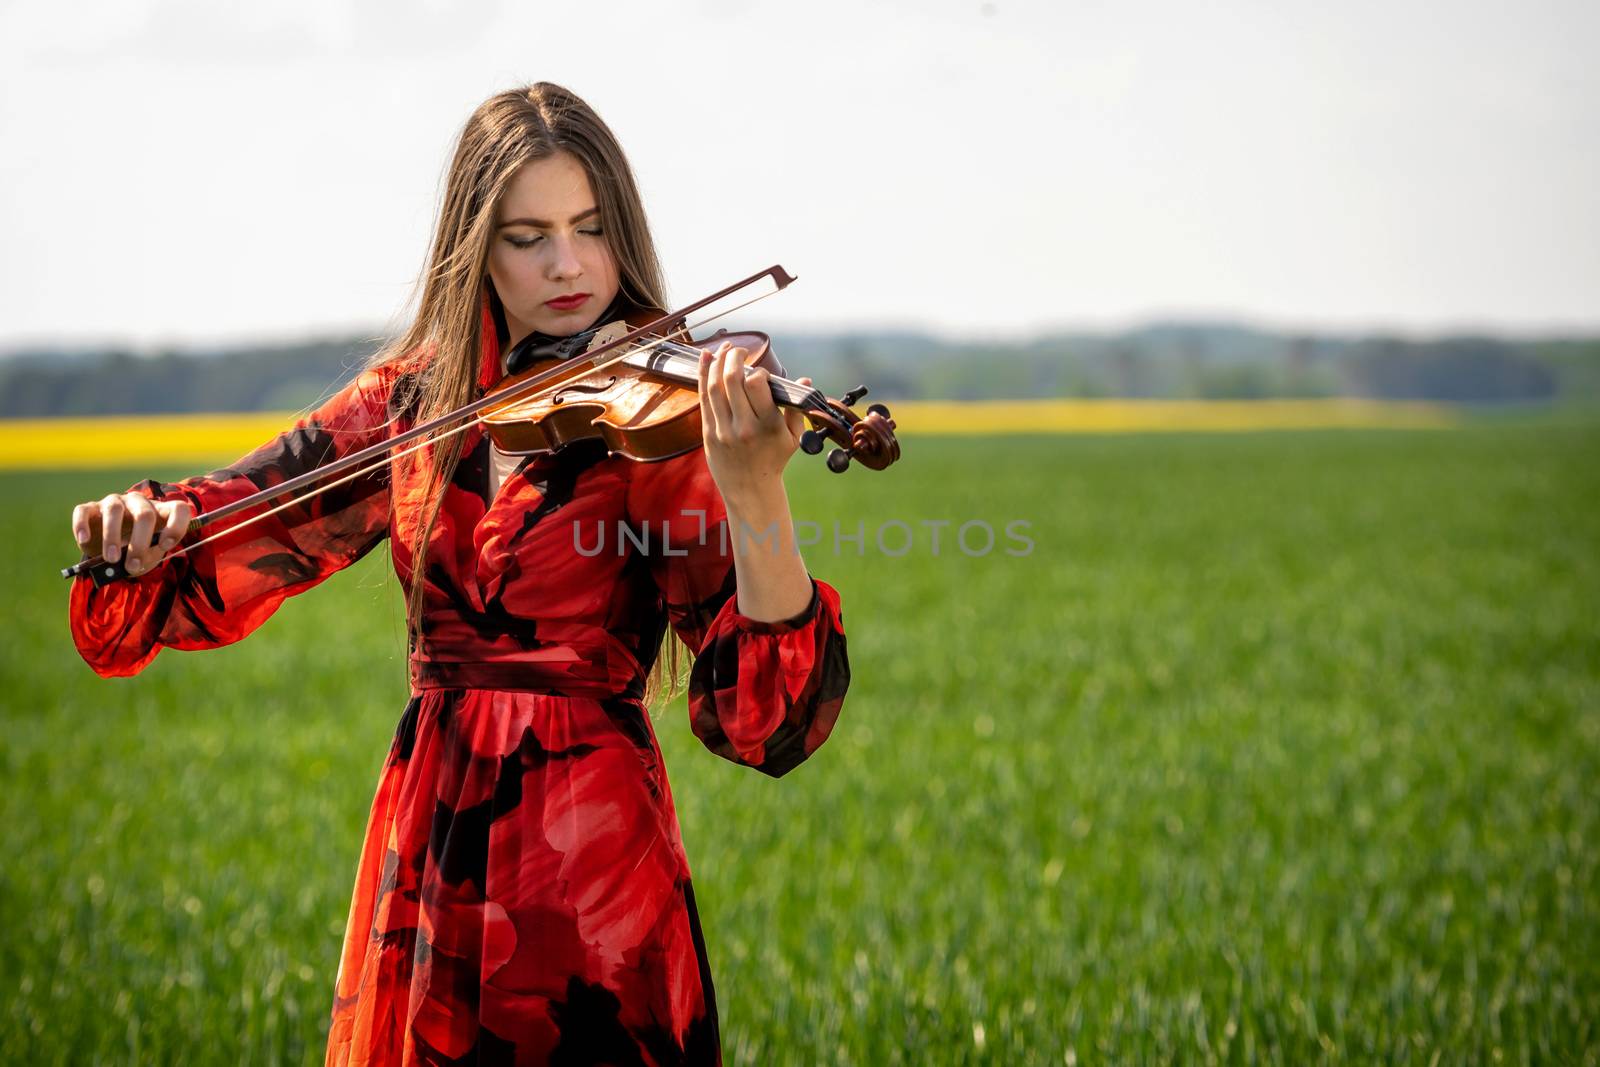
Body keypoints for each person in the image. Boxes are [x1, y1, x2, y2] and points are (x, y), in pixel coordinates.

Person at [66, 82, 850, 1066]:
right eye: (528, 236)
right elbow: (236, 521)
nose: (568, 264)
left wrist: (757, 494)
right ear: (475, 243)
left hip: (594, 872)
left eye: (591, 226)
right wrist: (141, 530)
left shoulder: (665, 414)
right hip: (431, 859)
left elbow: (765, 722)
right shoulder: (409, 401)